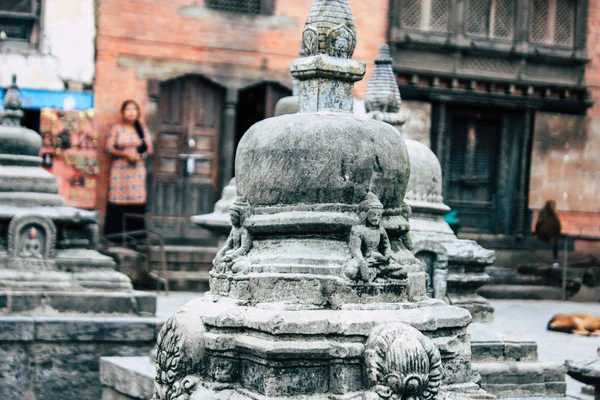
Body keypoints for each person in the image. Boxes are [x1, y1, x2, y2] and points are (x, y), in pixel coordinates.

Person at [104, 100, 153, 236]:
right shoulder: (117, 128)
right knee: (118, 199)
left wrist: (138, 155)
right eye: (128, 109)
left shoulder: (142, 130)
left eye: (134, 109)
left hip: (136, 170)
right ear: (122, 112)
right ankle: (115, 236)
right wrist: (124, 154)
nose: (131, 112)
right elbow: (109, 147)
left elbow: (149, 149)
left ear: (138, 112)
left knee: (136, 200)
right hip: (120, 169)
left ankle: (135, 236)